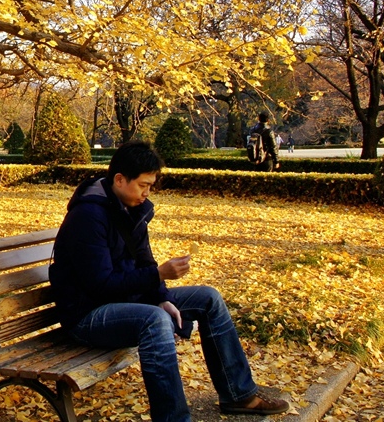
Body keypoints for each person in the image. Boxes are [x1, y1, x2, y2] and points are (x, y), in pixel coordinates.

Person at [49, 141, 288, 422]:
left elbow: (145, 262)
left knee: (208, 298)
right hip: (87, 315)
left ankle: (240, 395)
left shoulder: (130, 208)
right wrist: (158, 277)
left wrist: (161, 295)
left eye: (151, 185)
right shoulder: (88, 217)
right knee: (154, 320)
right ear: (119, 179)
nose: (147, 192)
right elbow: (100, 285)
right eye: (143, 185)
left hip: (123, 302)